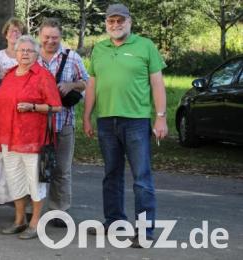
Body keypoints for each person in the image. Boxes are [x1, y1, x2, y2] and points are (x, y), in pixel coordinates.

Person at [83, 3, 166, 247]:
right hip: (106, 121)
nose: (116, 25)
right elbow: (92, 85)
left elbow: (157, 83)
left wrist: (161, 116)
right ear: (106, 24)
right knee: (111, 175)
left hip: (136, 121)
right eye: (111, 21)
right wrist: (87, 116)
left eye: (120, 21)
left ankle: (144, 231)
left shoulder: (145, 46)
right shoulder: (99, 49)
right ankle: (114, 221)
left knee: (141, 177)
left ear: (130, 22)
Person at [0, 35, 61, 240]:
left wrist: (33, 107)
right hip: (8, 136)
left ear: (36, 54)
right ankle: (19, 220)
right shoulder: (10, 74)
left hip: (33, 139)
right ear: (15, 52)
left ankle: (35, 222)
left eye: (28, 51)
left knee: (35, 182)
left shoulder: (42, 75)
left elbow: (56, 106)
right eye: (21, 50)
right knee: (15, 181)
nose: (24, 53)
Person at [36, 18, 89, 228]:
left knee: (62, 169)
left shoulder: (72, 57)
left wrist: (71, 84)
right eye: (47, 37)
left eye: (55, 37)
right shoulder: (31, 56)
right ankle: (33, 209)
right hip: (35, 124)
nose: (50, 41)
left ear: (61, 37)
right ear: (40, 36)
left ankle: (59, 211)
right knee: (35, 168)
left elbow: (86, 82)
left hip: (64, 122)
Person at [0, 18, 27, 84]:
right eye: (11, 30)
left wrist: (5, 73)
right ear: (6, 34)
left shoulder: (27, 55)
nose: (14, 33)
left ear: (22, 36)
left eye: (18, 31)